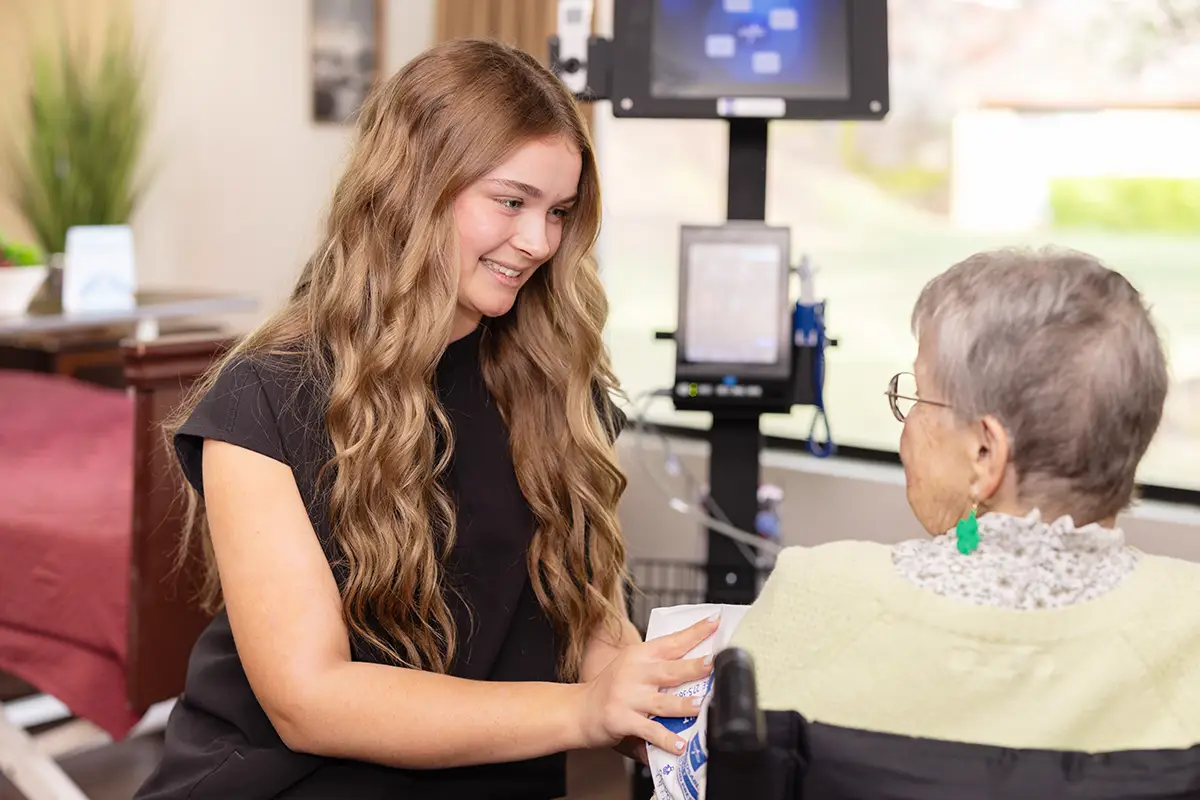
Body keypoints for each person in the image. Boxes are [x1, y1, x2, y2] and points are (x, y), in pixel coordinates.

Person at [135, 39, 715, 800]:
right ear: (412, 189)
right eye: (511, 202)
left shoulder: (560, 393)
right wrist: (582, 711)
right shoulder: (264, 398)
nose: (539, 242)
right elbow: (310, 701)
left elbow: (591, 623)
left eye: (559, 212)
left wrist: (652, 706)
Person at [729, 246, 1200, 760]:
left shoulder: (815, 593)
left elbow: (712, 774)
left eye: (920, 397)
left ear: (984, 454)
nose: (908, 423)